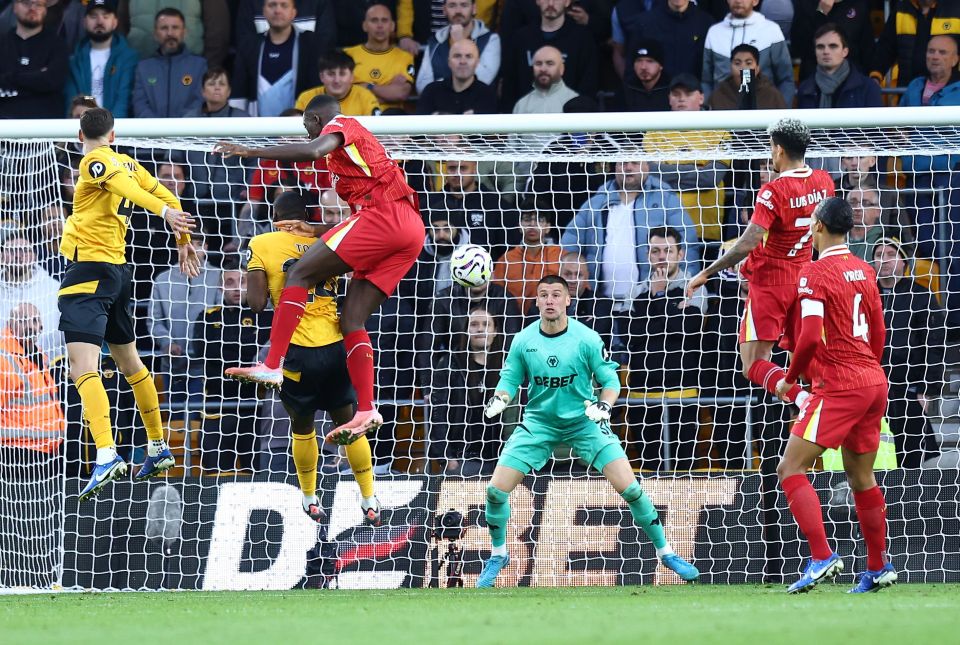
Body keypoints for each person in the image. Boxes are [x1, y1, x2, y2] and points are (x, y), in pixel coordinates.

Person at [214, 94, 425, 441]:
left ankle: (272, 364)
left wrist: (251, 151)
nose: (309, 133)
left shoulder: (343, 125)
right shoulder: (350, 160)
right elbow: (361, 220)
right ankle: (367, 409)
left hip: (385, 217)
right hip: (407, 230)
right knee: (352, 320)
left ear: (315, 119)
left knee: (300, 273)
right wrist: (312, 229)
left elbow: (313, 152)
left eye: (306, 126)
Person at [475, 274, 700, 587]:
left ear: (568, 300)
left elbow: (611, 381)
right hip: (539, 423)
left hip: (585, 422)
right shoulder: (524, 340)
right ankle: (498, 554)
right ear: (537, 301)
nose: (550, 300)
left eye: (556, 294)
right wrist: (500, 399)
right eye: (544, 295)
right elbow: (509, 380)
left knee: (631, 489)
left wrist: (605, 405)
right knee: (495, 492)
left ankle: (666, 552)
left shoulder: (586, 338)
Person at [59, 108, 199, 501]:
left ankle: (106, 454)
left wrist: (166, 214)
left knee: (82, 367)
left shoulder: (96, 159)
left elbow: (135, 192)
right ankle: (157, 446)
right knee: (130, 362)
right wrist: (181, 238)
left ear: (80, 132)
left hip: (89, 270)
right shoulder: (129, 162)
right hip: (118, 274)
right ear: (114, 133)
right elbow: (164, 193)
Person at [773, 196, 895, 594]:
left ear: (820, 227)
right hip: (873, 380)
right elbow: (878, 332)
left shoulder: (814, 272)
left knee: (790, 468)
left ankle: (823, 556)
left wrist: (791, 378)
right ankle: (878, 567)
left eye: (811, 223)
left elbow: (808, 336)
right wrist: (867, 368)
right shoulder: (865, 269)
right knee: (861, 476)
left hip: (841, 384)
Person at [244, 191, 381, 523]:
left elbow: (256, 303)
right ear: (304, 217)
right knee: (350, 424)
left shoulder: (262, 243)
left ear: (276, 218)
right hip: (336, 348)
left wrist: (255, 271)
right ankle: (369, 498)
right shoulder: (329, 241)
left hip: (296, 353)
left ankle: (309, 497)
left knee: (302, 428)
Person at [687, 118, 835, 408]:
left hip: (771, 282)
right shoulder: (824, 181)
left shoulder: (773, 191)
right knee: (805, 361)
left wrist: (707, 272)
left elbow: (749, 241)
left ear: (778, 150)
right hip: (805, 277)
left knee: (753, 364)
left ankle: (803, 400)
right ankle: (824, 399)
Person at [621, 227, 705, 471]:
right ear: (648, 255)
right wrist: (660, 297)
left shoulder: (695, 287)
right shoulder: (635, 291)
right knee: (650, 469)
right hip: (643, 397)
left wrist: (653, 310)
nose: (661, 257)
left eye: (668, 250)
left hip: (684, 394)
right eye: (656, 251)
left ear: (680, 254)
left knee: (685, 468)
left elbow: (689, 330)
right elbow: (633, 335)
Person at [562, 160, 698, 306]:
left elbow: (686, 247)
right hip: (599, 303)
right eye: (623, 163)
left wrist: (687, 289)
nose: (628, 168)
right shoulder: (596, 202)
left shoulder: (666, 199)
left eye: (635, 163)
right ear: (615, 168)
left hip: (646, 302)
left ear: (647, 166)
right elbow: (569, 245)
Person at [190, 264, 270, 472]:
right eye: (230, 282)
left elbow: (263, 356)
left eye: (242, 282)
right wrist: (245, 349)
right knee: (215, 473)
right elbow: (202, 351)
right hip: (217, 404)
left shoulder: (266, 317)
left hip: (255, 406)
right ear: (220, 287)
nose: (236, 288)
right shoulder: (208, 316)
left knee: (257, 473)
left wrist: (227, 348)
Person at [872, 236, 944, 467]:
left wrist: (926, 387)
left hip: (908, 387)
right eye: (879, 255)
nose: (884, 260)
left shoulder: (921, 295)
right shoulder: (864, 293)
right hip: (871, 384)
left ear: (904, 262)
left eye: (891, 255)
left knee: (910, 456)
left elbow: (933, 343)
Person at [644, 76, 731, 243]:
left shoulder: (720, 131)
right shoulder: (653, 132)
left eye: (688, 93)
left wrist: (669, 175)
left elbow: (710, 178)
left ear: (701, 97)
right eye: (676, 94)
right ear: (669, 98)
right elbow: (652, 175)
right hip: (662, 230)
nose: (681, 98)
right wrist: (696, 169)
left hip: (705, 228)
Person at [428, 306, 510, 475]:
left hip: (502, 460)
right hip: (462, 460)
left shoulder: (509, 367)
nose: (480, 328)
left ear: (495, 332)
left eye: (486, 324)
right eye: (474, 324)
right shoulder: (449, 364)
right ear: (466, 331)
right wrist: (447, 458)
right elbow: (438, 414)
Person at [500, 0, 598, 111]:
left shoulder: (583, 39)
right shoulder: (521, 39)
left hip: (570, 121)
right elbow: (510, 86)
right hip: (525, 118)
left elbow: (588, 86)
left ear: (567, 2)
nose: (551, 4)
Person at [230, 0, 321, 117]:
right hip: (256, 131)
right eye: (272, 5)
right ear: (264, 11)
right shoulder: (249, 46)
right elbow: (239, 93)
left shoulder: (310, 45)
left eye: (284, 5)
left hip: (297, 130)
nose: (277, 10)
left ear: (293, 13)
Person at [701, 0, 795, 105]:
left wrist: (780, 113)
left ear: (755, 1)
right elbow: (706, 81)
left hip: (764, 111)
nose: (738, 1)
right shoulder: (714, 32)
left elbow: (786, 80)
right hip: (722, 111)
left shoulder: (771, 30)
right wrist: (707, 111)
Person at [0, 302, 65, 453]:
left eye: (34, 320)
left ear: (41, 326)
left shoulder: (39, 357)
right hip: (16, 452)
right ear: (10, 324)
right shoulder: (3, 359)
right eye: (22, 320)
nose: (30, 326)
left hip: (45, 452)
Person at [424, 158, 515, 258]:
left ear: (474, 169)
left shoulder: (496, 205)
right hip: (436, 271)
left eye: (463, 168)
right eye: (452, 168)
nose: (457, 174)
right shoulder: (428, 204)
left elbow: (509, 252)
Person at [63, 0, 137, 118]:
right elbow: (73, 101)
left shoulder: (129, 58)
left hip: (118, 129)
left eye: (105, 16)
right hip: (83, 128)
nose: (99, 21)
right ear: (85, 22)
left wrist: (108, 126)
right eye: (93, 16)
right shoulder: (74, 61)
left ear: (115, 22)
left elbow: (123, 100)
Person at [527, 252, 614, 348]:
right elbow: (533, 338)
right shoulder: (542, 302)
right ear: (559, 274)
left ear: (587, 276)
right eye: (568, 274)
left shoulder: (601, 304)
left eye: (579, 275)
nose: (573, 280)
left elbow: (596, 339)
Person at [131, 7, 206, 117]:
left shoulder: (199, 65)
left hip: (188, 131)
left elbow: (200, 102)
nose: (170, 33)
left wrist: (179, 128)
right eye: (164, 28)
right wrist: (158, 129)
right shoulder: (143, 68)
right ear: (155, 34)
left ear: (184, 32)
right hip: (151, 132)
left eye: (175, 28)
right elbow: (139, 104)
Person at [0, 0, 70, 118]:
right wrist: (36, 77)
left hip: (44, 126)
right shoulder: (2, 44)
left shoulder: (58, 45)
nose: (32, 8)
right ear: (15, 7)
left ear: (45, 10)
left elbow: (52, 80)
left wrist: (10, 77)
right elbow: (44, 81)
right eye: (26, 3)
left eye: (38, 4)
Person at [614, 0, 713, 82]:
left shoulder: (706, 23)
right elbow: (632, 69)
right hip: (655, 99)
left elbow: (711, 70)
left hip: (693, 98)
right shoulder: (645, 24)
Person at [414, 0, 499, 94]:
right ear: (444, 10)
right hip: (441, 106)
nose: (458, 11)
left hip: (477, 106)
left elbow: (485, 79)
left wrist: (460, 43)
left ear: (474, 8)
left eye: (464, 5)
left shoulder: (490, 39)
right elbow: (422, 87)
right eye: (452, 5)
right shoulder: (435, 41)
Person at [869, 0, 959, 89]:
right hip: (908, 91)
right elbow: (885, 48)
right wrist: (875, 77)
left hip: (950, 92)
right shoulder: (901, 8)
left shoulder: (956, 8)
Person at [492, 209, 564, 316]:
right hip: (514, 321)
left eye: (539, 220)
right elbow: (496, 296)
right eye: (527, 220)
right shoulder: (506, 259)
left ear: (548, 227)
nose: (532, 224)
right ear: (520, 226)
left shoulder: (562, 256)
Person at [0, 234, 61, 359]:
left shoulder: (54, 289)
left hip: (47, 372)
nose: (18, 256)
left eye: (25, 250)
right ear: (1, 257)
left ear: (34, 255)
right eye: (12, 251)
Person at [345, 4, 415, 111]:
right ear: (364, 25)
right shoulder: (348, 55)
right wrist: (387, 91)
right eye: (374, 20)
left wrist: (368, 86)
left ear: (392, 26)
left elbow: (401, 93)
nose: (380, 25)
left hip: (390, 120)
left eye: (384, 20)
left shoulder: (404, 57)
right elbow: (344, 92)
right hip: (356, 116)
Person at [797, 24, 882, 109]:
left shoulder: (868, 88)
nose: (826, 51)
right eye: (820, 47)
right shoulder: (805, 89)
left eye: (833, 46)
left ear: (845, 51)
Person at [792, 0, 874, 80]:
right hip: (815, 78)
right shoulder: (806, 3)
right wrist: (821, 12)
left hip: (852, 80)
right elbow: (798, 47)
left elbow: (867, 49)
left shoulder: (859, 4)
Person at [416, 38, 498, 114]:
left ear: (477, 63)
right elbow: (418, 127)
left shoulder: (487, 95)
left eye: (469, 56)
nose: (463, 61)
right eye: (457, 56)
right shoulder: (431, 91)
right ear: (449, 62)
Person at [295, 49, 382, 115]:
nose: (337, 80)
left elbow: (377, 131)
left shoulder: (365, 97)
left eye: (342, 74)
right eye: (331, 74)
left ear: (352, 77)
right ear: (321, 77)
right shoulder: (306, 98)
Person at [707, 43, 787, 110]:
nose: (743, 68)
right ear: (730, 67)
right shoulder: (718, 96)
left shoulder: (772, 95)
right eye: (737, 63)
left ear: (757, 68)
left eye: (748, 63)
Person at [512, 45, 579, 114]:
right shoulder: (522, 105)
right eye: (538, 64)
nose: (543, 69)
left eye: (550, 63)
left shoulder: (575, 101)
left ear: (561, 69)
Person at [622, 39, 671, 113]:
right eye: (639, 61)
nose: (643, 67)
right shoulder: (625, 90)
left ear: (661, 65)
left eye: (650, 61)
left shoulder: (672, 88)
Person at [183, 67, 249, 117]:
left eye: (222, 84)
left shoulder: (242, 119)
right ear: (203, 92)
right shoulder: (190, 119)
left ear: (229, 91)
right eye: (211, 84)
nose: (217, 88)